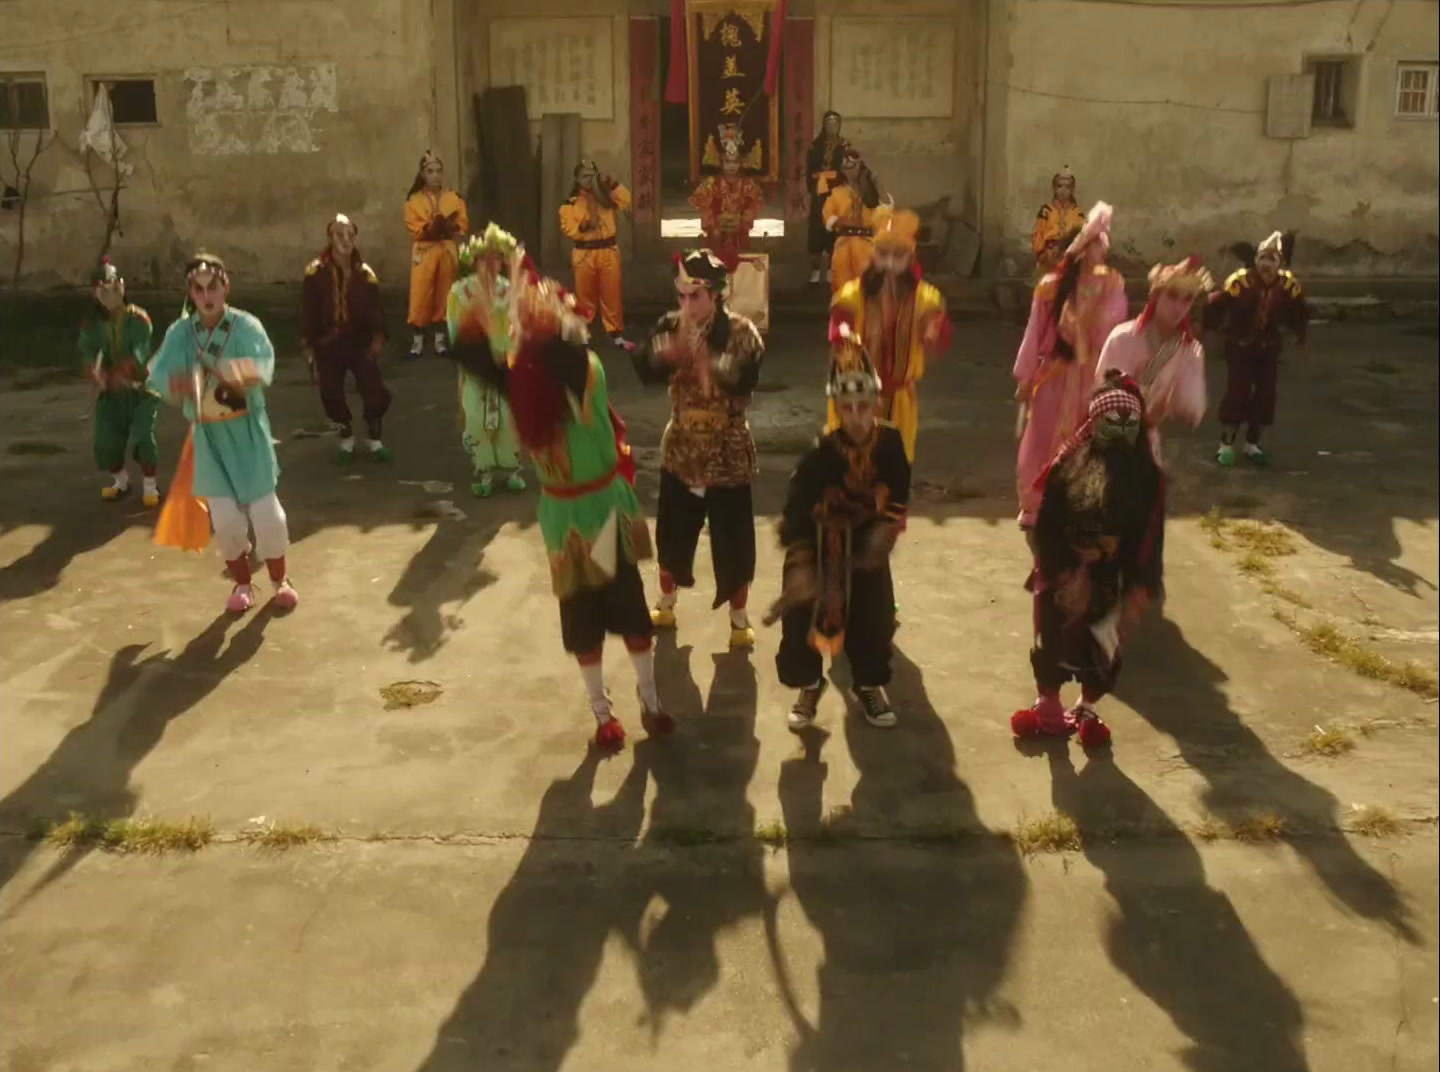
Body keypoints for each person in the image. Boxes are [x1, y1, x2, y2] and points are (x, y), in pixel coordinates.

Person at [445, 264, 668, 750]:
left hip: (604, 510)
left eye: (542, 319)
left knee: (629, 613)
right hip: (563, 516)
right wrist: (479, 314)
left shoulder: (584, 367)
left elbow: (560, 355)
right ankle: (602, 714)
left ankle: (650, 700)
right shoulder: (526, 382)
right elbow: (469, 357)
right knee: (582, 621)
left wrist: (527, 309)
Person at [1011, 372, 1165, 748]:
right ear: (1094, 426)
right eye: (1111, 424)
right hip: (1061, 577)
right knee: (1053, 639)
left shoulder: (1148, 480)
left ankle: (1087, 706)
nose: (1120, 435)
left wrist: (1139, 583)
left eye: (1129, 426)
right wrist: (1065, 568)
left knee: (1102, 649)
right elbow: (1045, 525)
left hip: (1111, 580)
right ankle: (1047, 704)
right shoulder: (1068, 469)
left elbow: (1149, 537)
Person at [766, 329, 910, 730]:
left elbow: (899, 491)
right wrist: (799, 566)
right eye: (848, 408)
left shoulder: (891, 443)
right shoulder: (821, 453)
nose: (858, 416)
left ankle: (868, 686)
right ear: (837, 409)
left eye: (864, 406)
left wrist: (885, 529)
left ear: (876, 403)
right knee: (801, 622)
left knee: (873, 619)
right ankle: (809, 684)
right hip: (819, 545)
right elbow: (795, 512)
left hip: (865, 544)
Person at [149, 253, 298, 613]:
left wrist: (229, 377)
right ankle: (243, 584)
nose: (206, 295)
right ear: (191, 293)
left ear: (225, 286)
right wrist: (186, 384)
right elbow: (159, 375)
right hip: (209, 438)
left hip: (248, 433)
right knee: (227, 520)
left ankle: (280, 580)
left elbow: (264, 366)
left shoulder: (245, 326)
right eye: (198, 290)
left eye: (213, 286)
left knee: (268, 517)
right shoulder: (181, 333)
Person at [631, 249, 764, 648]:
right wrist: (661, 354)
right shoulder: (671, 326)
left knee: (734, 540)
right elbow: (642, 364)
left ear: (716, 296)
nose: (686, 305)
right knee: (672, 533)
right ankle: (666, 601)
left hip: (728, 450)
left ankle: (739, 618)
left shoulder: (743, 332)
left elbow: (744, 378)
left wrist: (707, 360)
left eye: (696, 296)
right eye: (682, 296)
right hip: (683, 449)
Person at [1013, 202, 1129, 534]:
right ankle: (1035, 503)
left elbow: (1113, 324)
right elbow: (1034, 333)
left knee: (1087, 440)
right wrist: (1024, 377)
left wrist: (1085, 330)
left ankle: (1083, 503)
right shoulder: (1050, 286)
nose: (1100, 248)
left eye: (1102, 242)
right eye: (1094, 242)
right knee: (1042, 437)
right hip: (1055, 372)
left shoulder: (1112, 285)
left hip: (1091, 373)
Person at [826, 204, 950, 464]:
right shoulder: (854, 293)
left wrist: (932, 329)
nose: (890, 264)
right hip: (857, 398)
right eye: (883, 255)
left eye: (898, 257)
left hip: (900, 398)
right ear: (873, 256)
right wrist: (845, 334)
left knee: (893, 467)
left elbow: (936, 323)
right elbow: (839, 322)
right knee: (849, 465)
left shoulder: (924, 298)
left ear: (910, 259)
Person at [1203, 230, 1309, 467]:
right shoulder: (1241, 282)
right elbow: (1217, 305)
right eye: (1262, 258)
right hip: (1239, 346)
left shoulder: (1288, 285)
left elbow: (1299, 312)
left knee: (1265, 395)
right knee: (1237, 391)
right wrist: (1211, 330)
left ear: (1279, 264)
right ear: (1256, 260)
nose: (1266, 264)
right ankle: (1225, 446)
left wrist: (1299, 335)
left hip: (1268, 348)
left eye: (1272, 260)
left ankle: (1252, 444)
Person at [1095, 255, 1212, 458]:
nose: (1179, 307)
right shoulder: (1122, 337)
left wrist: (1174, 407)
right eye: (1172, 296)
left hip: (1146, 442)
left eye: (1187, 299)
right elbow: (1102, 393)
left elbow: (1191, 409)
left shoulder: (1190, 351)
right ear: (1156, 296)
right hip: (1109, 439)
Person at [300, 213, 392, 463]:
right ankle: (346, 438)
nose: (345, 240)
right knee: (330, 394)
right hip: (327, 344)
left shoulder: (365, 274)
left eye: (350, 234)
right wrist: (307, 344)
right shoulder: (315, 273)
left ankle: (374, 439)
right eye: (339, 235)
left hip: (359, 342)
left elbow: (376, 310)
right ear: (330, 238)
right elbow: (308, 310)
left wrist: (378, 338)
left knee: (374, 391)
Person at [447, 224, 526, 498]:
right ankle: (483, 468)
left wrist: (507, 348)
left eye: (497, 258)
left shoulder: (510, 290)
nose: (491, 264)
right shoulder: (459, 292)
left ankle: (512, 467)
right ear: (475, 260)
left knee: (509, 418)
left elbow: (519, 327)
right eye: (485, 258)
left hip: (506, 364)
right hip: (476, 366)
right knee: (476, 417)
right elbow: (455, 333)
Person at [79, 258, 161, 506]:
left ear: (123, 285)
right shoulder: (91, 325)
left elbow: (137, 355)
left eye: (113, 285)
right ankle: (121, 482)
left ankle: (151, 487)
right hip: (111, 395)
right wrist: (96, 374)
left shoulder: (139, 319)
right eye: (102, 288)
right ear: (95, 293)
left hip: (141, 391)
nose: (109, 292)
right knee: (106, 441)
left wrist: (116, 375)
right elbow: (88, 353)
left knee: (142, 437)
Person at [559, 159, 632, 347]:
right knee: (585, 295)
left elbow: (627, 200)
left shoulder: (607, 197)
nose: (588, 180)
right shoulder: (570, 204)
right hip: (585, 254)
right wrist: (584, 226)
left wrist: (612, 184)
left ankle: (615, 333)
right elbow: (568, 228)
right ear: (576, 179)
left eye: (592, 175)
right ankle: (586, 331)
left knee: (612, 293)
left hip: (608, 250)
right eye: (584, 176)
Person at [404, 150, 469, 358]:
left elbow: (463, 224)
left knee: (445, 294)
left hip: (447, 250)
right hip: (425, 251)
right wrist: (432, 227)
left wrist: (452, 227)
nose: (435, 175)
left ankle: (440, 341)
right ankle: (418, 341)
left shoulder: (454, 198)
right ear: (423, 174)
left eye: (438, 171)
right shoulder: (413, 201)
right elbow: (414, 227)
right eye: (430, 171)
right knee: (421, 295)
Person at [689, 124, 766, 273]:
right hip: (717, 233)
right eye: (728, 162)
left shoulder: (748, 184)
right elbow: (698, 201)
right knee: (715, 266)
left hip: (739, 232)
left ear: (740, 163)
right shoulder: (711, 183)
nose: (731, 166)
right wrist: (715, 219)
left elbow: (755, 203)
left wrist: (742, 219)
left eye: (734, 162)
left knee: (740, 267)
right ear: (721, 163)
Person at [821, 146, 881, 296]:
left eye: (853, 166)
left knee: (866, 290)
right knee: (843, 291)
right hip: (844, 244)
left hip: (866, 244)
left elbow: (880, 214)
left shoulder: (870, 192)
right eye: (846, 167)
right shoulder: (837, 192)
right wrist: (845, 222)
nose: (850, 171)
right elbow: (828, 218)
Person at [806, 110, 847, 285]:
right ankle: (815, 271)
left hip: (836, 193)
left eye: (835, 124)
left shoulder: (845, 146)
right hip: (820, 194)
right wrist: (816, 180)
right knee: (816, 228)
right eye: (829, 124)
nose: (832, 127)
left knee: (834, 229)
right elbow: (809, 170)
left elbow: (848, 171)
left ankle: (832, 269)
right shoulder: (816, 146)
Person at [1031, 166, 1086, 276]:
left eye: (1067, 187)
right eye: (1059, 186)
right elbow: (1038, 234)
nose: (1063, 190)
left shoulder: (1078, 212)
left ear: (1072, 190)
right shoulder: (1046, 210)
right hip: (1049, 257)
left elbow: (1083, 237)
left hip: (1070, 258)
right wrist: (1042, 254)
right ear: (1054, 188)